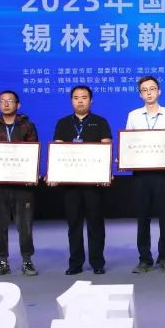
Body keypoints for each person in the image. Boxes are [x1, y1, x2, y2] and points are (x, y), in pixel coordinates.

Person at [52, 86, 113, 275]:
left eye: (84, 97)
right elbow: (58, 150)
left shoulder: (100, 122)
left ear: (91, 100)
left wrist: (105, 173)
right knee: (74, 224)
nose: (80, 101)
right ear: (71, 100)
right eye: (76, 97)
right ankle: (75, 263)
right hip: (70, 184)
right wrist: (55, 173)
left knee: (96, 223)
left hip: (93, 183)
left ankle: (97, 262)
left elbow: (107, 148)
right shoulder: (63, 123)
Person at [125, 76, 165, 274]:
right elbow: (129, 143)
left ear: (159, 91)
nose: (149, 93)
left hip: (163, 174)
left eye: (152, 89)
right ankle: (144, 259)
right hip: (141, 174)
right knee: (143, 217)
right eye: (144, 90)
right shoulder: (133, 116)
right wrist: (124, 157)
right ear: (140, 94)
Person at [0, 90, 39, 276]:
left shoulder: (28, 126)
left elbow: (33, 152)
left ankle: (27, 260)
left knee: (25, 224)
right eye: (2, 101)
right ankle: (2, 261)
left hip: (22, 185)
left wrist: (31, 175)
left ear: (18, 105)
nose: (6, 104)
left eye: (10, 101)